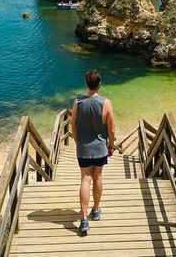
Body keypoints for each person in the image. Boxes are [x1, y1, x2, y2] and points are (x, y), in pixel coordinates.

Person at [71, 69, 115, 234]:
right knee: (98, 177)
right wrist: (111, 145)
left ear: (86, 84)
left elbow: (73, 125)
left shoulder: (78, 102)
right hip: (100, 148)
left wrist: (77, 142)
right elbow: (111, 128)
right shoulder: (106, 103)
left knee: (85, 179)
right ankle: (95, 210)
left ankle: (83, 220)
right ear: (99, 84)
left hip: (83, 148)